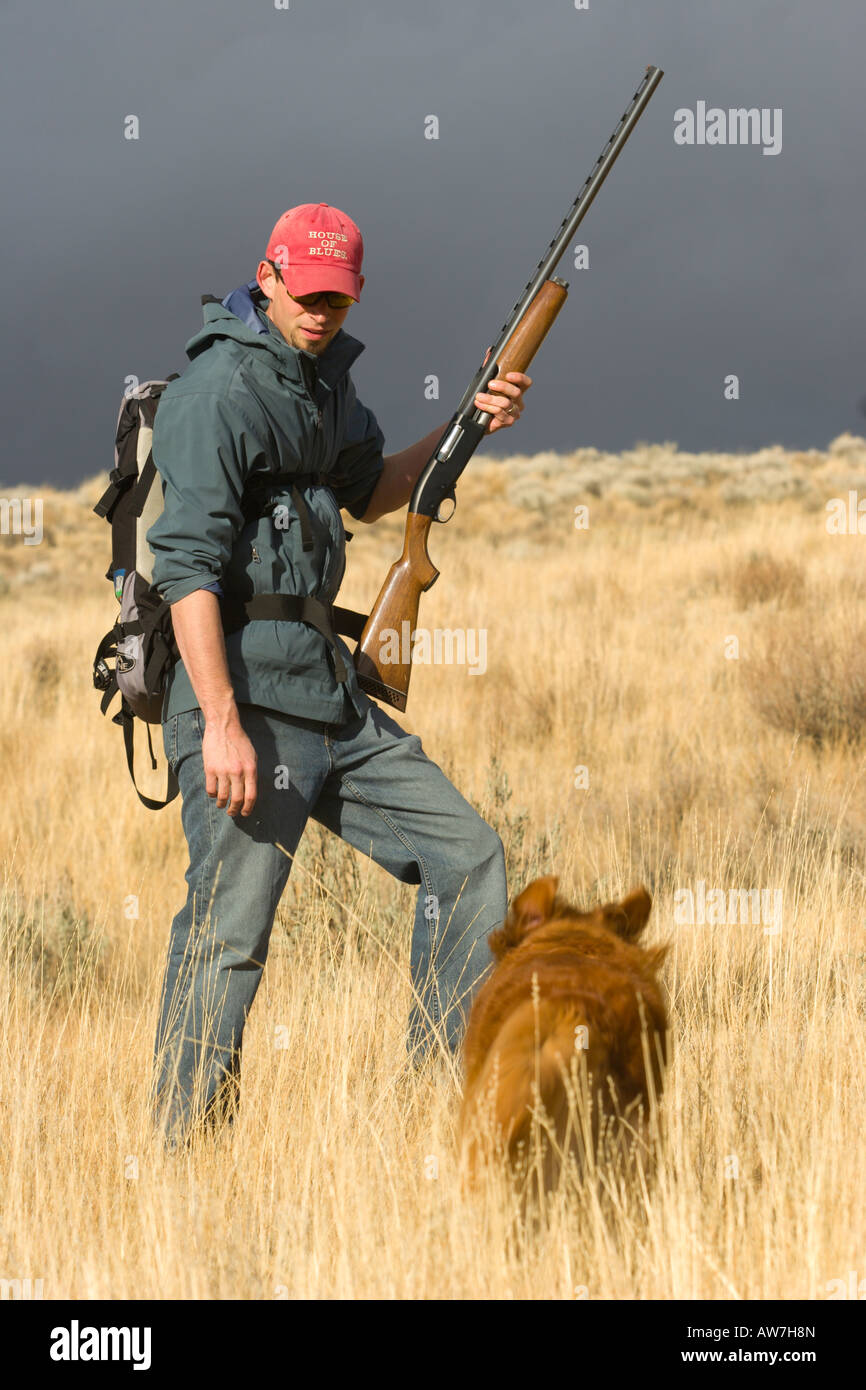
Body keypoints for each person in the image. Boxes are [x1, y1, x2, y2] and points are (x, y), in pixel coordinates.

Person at [146, 202, 532, 1145]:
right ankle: (183, 1159)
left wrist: (467, 423)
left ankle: (436, 1107)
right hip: (245, 705)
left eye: (340, 299)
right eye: (309, 293)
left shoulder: (324, 388)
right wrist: (223, 725)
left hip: (331, 695)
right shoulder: (216, 392)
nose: (322, 312)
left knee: (469, 856)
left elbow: (373, 488)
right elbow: (185, 569)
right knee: (229, 937)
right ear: (269, 275)